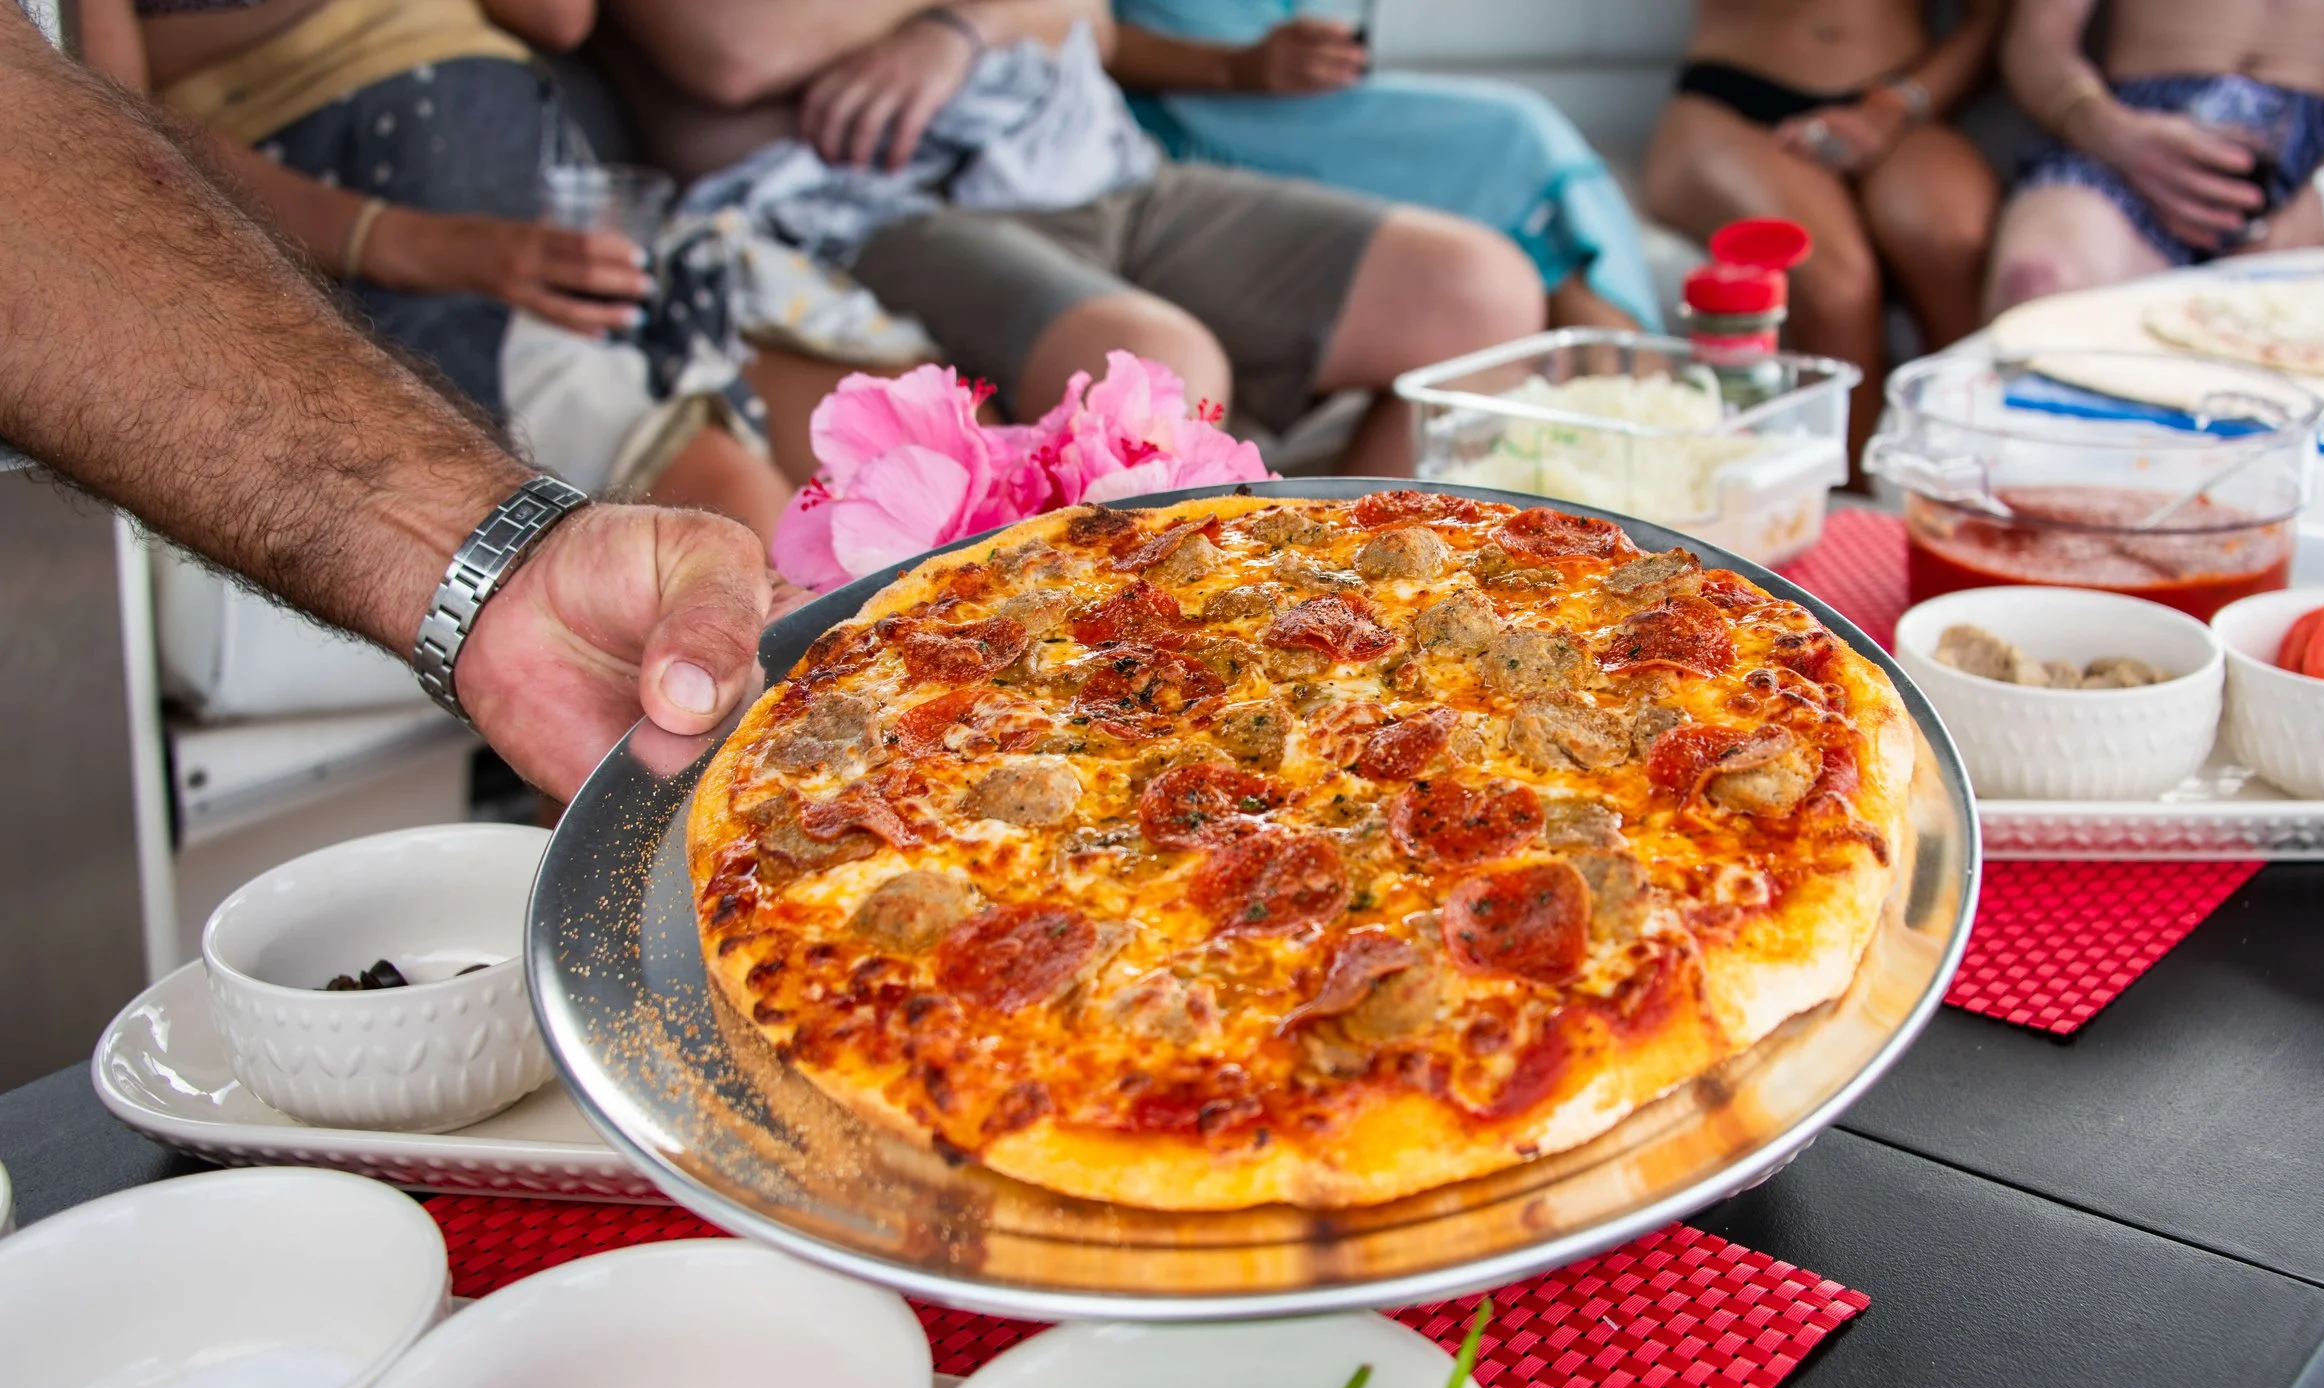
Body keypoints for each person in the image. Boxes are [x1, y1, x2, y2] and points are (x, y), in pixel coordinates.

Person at [1, 3, 777, 802]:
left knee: (752, 564)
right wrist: (412, 242)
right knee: (652, 668)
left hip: (544, 261)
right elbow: (95, 147)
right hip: (359, 283)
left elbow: (560, 16)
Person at [595, 0, 1546, 474]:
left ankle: (1345, 614)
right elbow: (729, 48)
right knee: (1160, 375)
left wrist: (960, 29)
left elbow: (1080, 10)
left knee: (1481, 294)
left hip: (1106, 170)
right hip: (857, 206)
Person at [78, 0, 795, 536]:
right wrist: (407, 241)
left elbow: (559, 16)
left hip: (547, 217)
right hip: (370, 244)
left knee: (842, 487)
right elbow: (117, 141)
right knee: (735, 521)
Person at [1105, 0, 1663, 333]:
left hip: (1311, 88)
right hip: (1196, 114)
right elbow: (1070, 29)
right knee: (1518, 144)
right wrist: (1234, 68)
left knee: (1534, 162)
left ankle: (1652, 421)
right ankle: (1653, 419)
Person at [1641, 0, 2005, 467]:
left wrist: (1895, 105)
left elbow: (1991, 19)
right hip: (1734, 101)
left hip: (1905, 100)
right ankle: (1848, 510)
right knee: (1834, 285)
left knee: (1951, 240)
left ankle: (1963, 487)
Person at [1988, 0, 2324, 315]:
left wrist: (2294, 233)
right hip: (2129, 130)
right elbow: (2036, 42)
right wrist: (2113, 133)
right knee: (2037, 283)